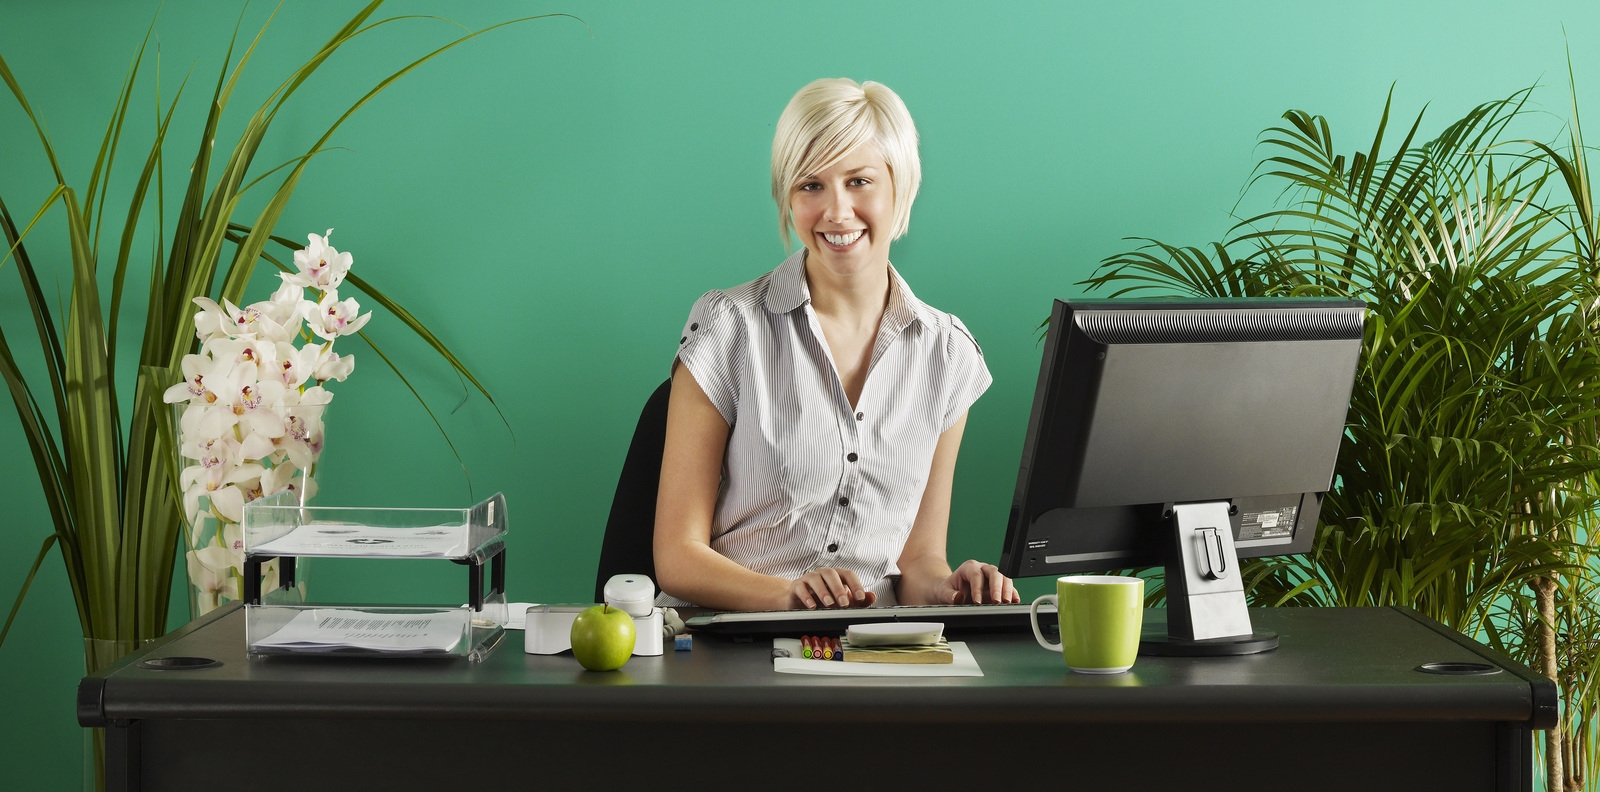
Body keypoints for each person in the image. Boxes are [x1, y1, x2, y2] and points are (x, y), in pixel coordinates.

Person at [654, 78, 1018, 611]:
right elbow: (678, 555)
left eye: (859, 181)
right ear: (787, 198)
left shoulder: (947, 354)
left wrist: (949, 587)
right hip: (728, 643)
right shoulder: (729, 325)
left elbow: (917, 562)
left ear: (901, 187)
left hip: (867, 648)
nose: (837, 211)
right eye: (811, 186)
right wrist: (788, 595)